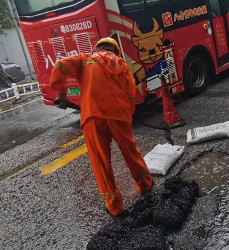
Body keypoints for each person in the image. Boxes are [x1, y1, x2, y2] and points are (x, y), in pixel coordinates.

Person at [49, 37, 152, 215]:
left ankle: (114, 205)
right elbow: (132, 96)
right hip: (119, 116)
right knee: (130, 151)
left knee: (100, 160)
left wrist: (62, 93)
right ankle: (145, 185)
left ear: (97, 49)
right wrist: (126, 115)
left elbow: (59, 65)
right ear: (116, 51)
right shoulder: (123, 67)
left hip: (92, 117)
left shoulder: (84, 60)